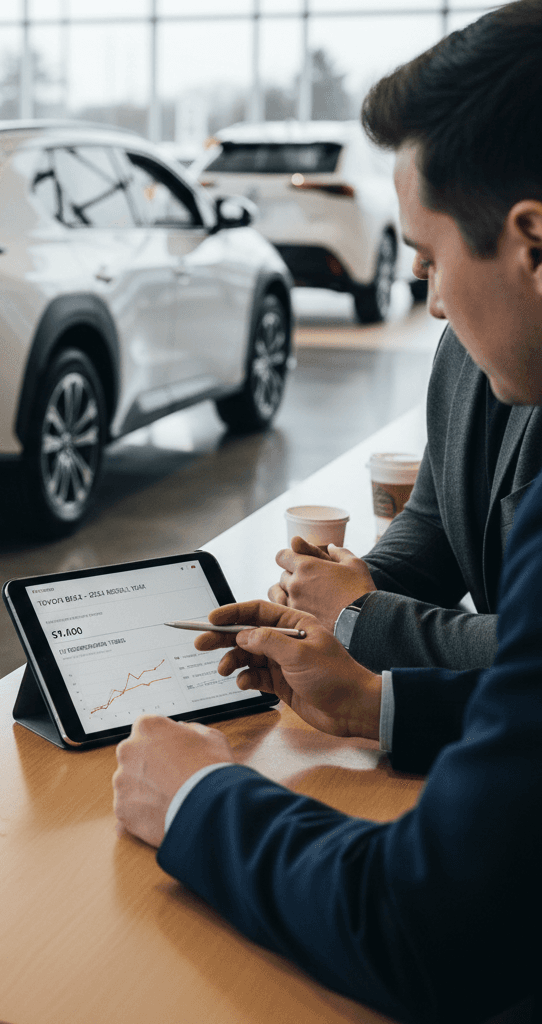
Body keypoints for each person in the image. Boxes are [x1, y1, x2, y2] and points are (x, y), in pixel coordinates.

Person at [112, 6, 542, 1022]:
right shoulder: (478, 366)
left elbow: (433, 928)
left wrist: (196, 800)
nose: (429, 301)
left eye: (429, 256)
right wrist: (370, 704)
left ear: (530, 238)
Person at [271, 324, 542, 672]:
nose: (433, 306)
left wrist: (366, 618)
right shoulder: (461, 341)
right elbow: (436, 520)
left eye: (436, 265)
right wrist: (336, 593)